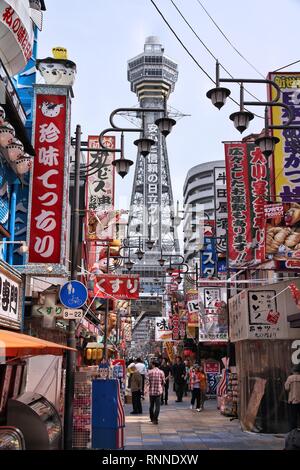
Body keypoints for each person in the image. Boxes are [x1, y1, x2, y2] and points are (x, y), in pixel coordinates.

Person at [147, 360, 165, 424]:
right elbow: (163, 382)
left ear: (153, 365)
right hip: (158, 391)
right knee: (157, 406)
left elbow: (147, 382)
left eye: (151, 364)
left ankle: (152, 418)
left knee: (151, 406)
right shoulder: (161, 372)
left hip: (151, 391)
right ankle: (155, 419)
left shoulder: (149, 372)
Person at [285, 364, 300, 431]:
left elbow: (287, 388)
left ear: (294, 371)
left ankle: (293, 432)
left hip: (292, 400)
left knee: (293, 417)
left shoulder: (290, 378)